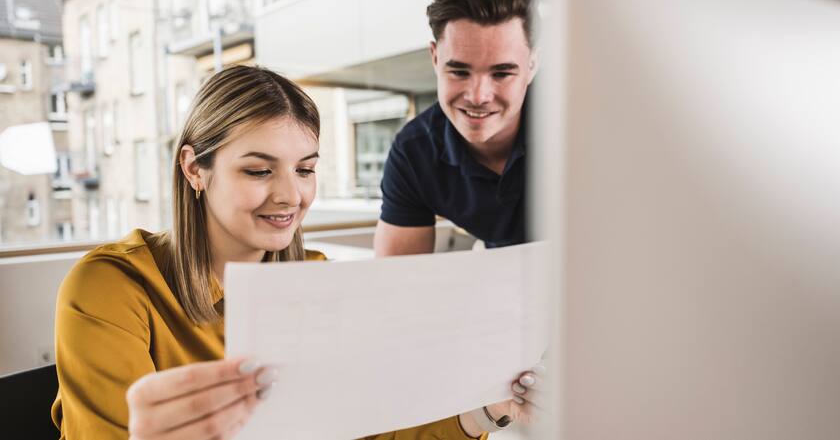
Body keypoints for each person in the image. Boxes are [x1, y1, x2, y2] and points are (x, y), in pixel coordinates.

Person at [51, 65, 540, 440]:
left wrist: (490, 407)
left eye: (304, 169)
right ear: (194, 169)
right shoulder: (109, 290)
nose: (290, 196)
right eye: (259, 171)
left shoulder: (316, 280)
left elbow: (373, 425)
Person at [374, 0, 538, 256]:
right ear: (436, 58)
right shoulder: (414, 152)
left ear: (533, 65)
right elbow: (397, 281)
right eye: (459, 71)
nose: (478, 96)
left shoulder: (582, 124)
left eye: (501, 73)